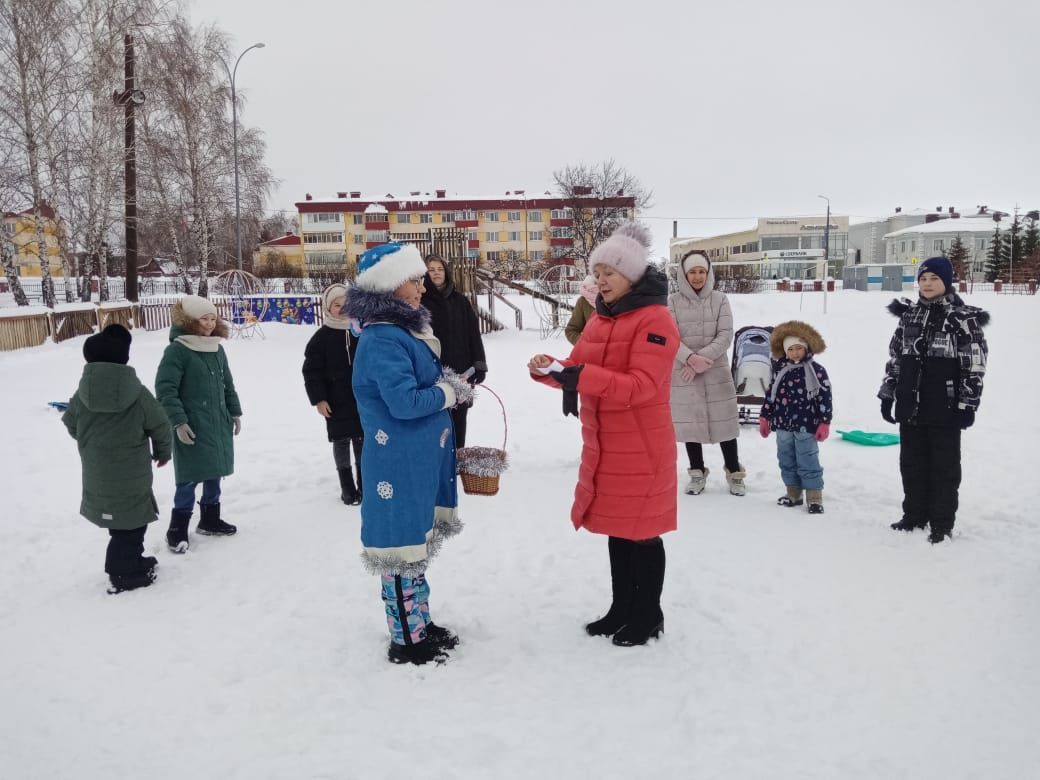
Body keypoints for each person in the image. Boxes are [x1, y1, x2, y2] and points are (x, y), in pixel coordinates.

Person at [528, 222, 679, 647]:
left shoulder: (656, 319)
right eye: (596, 273)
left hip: (642, 446)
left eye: (608, 274)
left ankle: (648, 614)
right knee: (618, 530)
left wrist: (579, 374)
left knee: (643, 534)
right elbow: (579, 369)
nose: (600, 281)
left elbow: (641, 386)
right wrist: (550, 370)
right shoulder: (600, 319)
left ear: (631, 276)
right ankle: (621, 609)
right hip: (608, 446)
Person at [345, 242, 474, 666]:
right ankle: (407, 640)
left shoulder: (399, 332)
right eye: (413, 279)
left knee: (414, 549)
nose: (421, 287)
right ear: (389, 285)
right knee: (399, 552)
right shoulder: (383, 338)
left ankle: (420, 622)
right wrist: (447, 392)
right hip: (396, 467)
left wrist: (444, 382)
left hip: (414, 464)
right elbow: (404, 403)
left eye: (421, 278)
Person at [877, 256, 989, 543]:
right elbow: (896, 358)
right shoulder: (909, 315)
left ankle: (941, 523)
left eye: (934, 279)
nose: (927, 284)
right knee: (911, 464)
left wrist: (968, 404)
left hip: (946, 405)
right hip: (910, 404)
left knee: (944, 468)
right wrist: (888, 393)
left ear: (947, 282)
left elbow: (973, 364)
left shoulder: (963, 318)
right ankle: (914, 514)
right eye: (923, 279)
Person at [62, 324, 172, 593]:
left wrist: (91, 443)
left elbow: (70, 421)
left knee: (119, 520)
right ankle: (122, 574)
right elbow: (160, 425)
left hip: (97, 470)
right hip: (131, 471)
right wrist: (162, 452)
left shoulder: (82, 394)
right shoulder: (138, 393)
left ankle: (132, 561)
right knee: (132, 523)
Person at [155, 295, 243, 553]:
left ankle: (210, 519)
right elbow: (165, 389)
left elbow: (228, 383)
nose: (209, 323)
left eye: (212, 318)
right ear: (190, 321)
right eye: (203, 318)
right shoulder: (177, 350)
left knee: (215, 472)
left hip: (218, 421)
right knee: (189, 478)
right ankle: (177, 529)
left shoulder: (217, 348)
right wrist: (179, 422)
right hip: (193, 424)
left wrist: (235, 412)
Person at [668, 250, 745, 496]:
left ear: (708, 272)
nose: (698, 276)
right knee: (691, 423)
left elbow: (725, 334)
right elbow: (669, 336)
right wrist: (690, 359)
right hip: (685, 372)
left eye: (702, 271)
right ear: (684, 274)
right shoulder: (672, 301)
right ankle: (696, 472)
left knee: (724, 423)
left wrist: (704, 359)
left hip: (715, 371)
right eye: (693, 272)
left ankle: (734, 472)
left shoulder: (720, 299)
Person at [758, 321, 833, 514]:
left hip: (806, 425)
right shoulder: (780, 371)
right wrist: (765, 417)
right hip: (783, 424)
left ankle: (814, 497)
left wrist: (824, 421)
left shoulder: (817, 371)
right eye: (790, 349)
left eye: (799, 348)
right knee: (786, 458)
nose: (795, 353)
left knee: (807, 458)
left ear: (806, 347)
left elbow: (825, 396)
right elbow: (771, 395)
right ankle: (793, 493)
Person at [303, 283, 364, 505]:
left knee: (361, 441)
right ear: (329, 308)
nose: (342, 308)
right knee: (340, 442)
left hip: (359, 399)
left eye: (345, 304)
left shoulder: (360, 332)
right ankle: (347, 487)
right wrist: (319, 399)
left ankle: (364, 485)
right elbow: (311, 370)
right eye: (336, 305)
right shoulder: (322, 336)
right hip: (335, 400)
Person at [420, 254, 487, 449]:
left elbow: (473, 333)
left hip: (461, 371)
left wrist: (479, 364)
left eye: (440, 269)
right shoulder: (420, 302)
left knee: (459, 417)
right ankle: (438, 461)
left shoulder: (460, 301)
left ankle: (457, 457)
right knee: (435, 418)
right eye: (431, 270)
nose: (436, 273)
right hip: (432, 373)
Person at [564, 274, 599, 345]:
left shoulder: (620, 297)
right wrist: (584, 344)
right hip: (591, 353)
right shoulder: (584, 301)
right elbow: (571, 330)